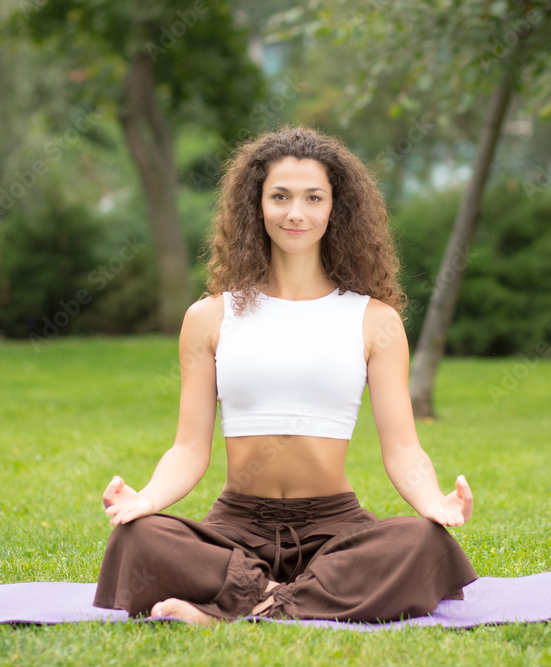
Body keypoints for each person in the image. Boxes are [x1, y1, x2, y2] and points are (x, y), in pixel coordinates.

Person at [93, 126, 477, 626]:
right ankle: (289, 600)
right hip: (236, 526)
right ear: (256, 205)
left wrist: (434, 502)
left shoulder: (374, 320)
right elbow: (189, 449)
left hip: (335, 526)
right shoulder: (209, 317)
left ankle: (242, 604)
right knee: (138, 537)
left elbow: (402, 448)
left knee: (423, 541)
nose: (296, 213)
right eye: (280, 196)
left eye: (313, 197)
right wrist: (145, 499)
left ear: (335, 208)